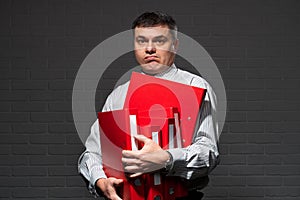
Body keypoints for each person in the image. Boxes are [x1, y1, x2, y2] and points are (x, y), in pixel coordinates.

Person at [78, 11, 219, 200]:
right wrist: (100, 181)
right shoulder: (118, 95)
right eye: (142, 41)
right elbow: (92, 153)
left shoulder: (197, 87)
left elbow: (209, 153)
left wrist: (167, 159)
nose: (150, 49)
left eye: (159, 41)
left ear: (175, 46)